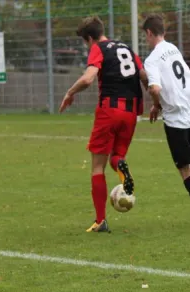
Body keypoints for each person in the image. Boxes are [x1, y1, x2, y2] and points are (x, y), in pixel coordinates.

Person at [60, 16, 147, 233]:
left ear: (90, 38)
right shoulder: (127, 48)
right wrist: (155, 101)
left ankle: (100, 221)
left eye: (84, 41)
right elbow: (144, 76)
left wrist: (70, 93)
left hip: (110, 110)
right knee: (116, 157)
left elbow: (89, 78)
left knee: (97, 166)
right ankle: (122, 170)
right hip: (131, 112)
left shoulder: (99, 48)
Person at [142, 14, 190, 233]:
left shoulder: (152, 59)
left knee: (184, 169)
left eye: (146, 36)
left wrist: (156, 105)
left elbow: (155, 88)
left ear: (149, 33)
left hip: (177, 117)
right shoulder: (172, 48)